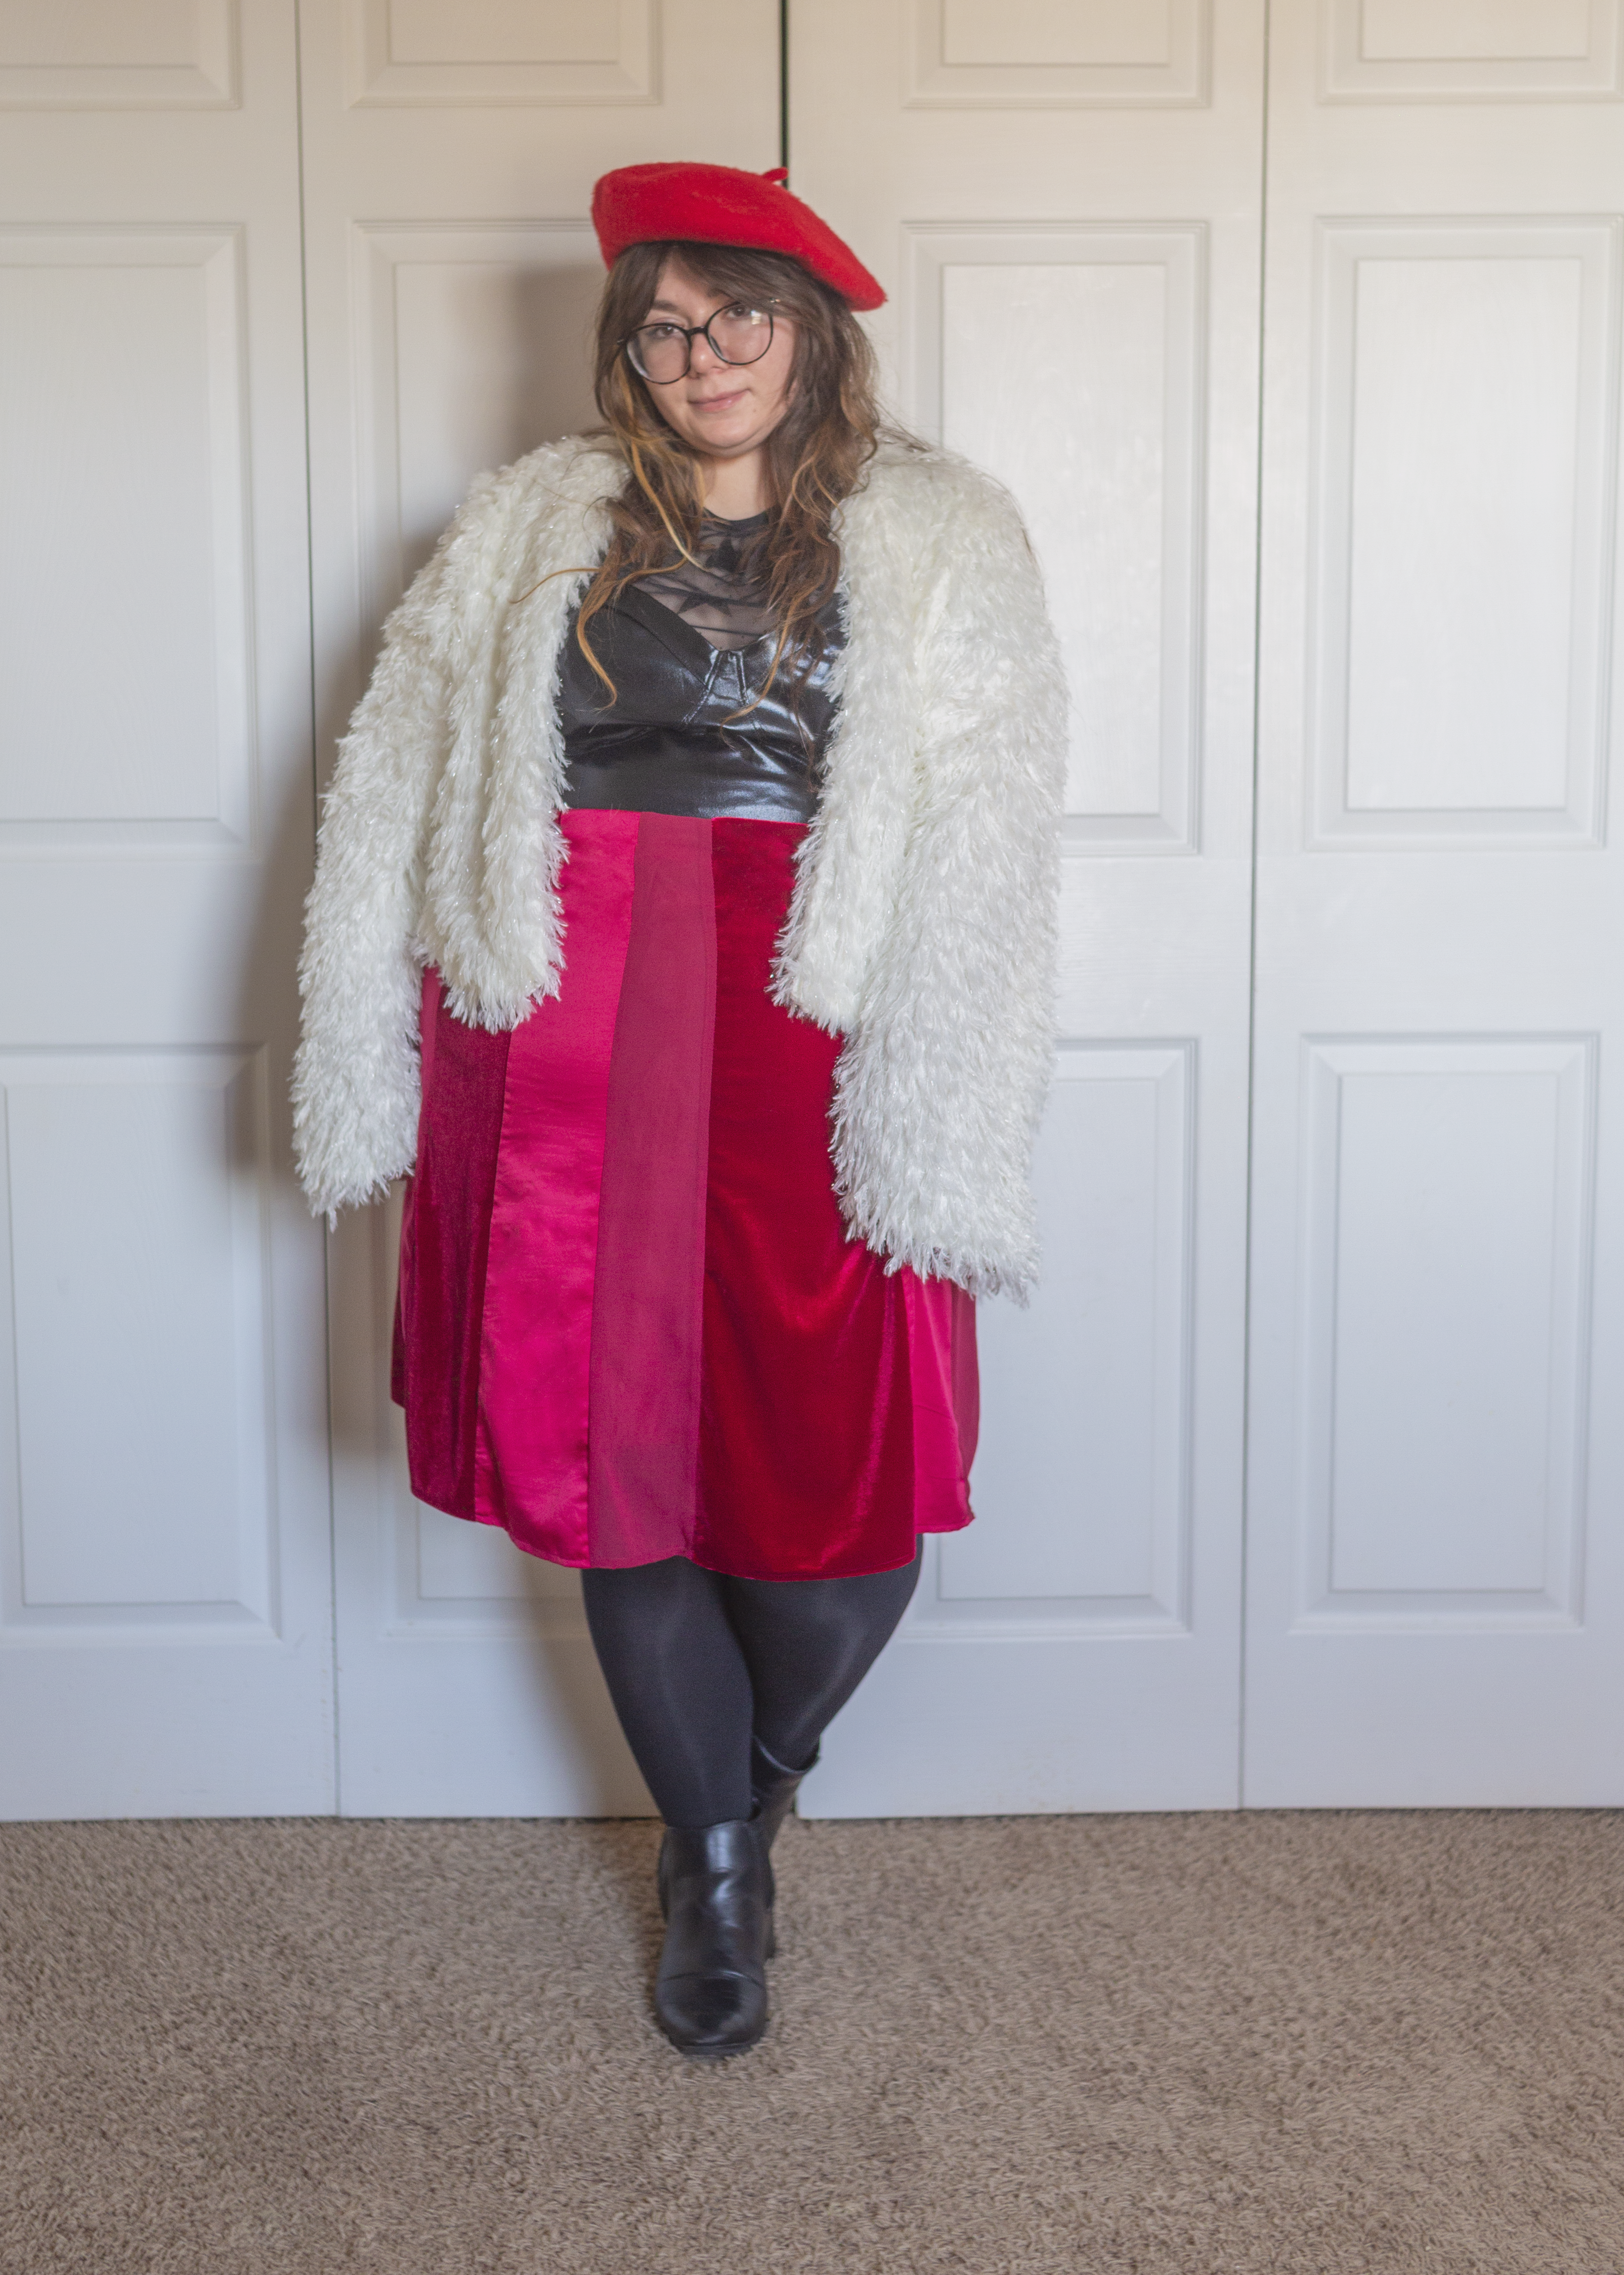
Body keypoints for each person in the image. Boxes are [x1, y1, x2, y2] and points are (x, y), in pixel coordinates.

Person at [292, 161, 1067, 2059]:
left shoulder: (943, 530)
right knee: (609, 1460)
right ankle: (715, 1861)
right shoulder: (533, 522)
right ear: (627, 346)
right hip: (555, 1007)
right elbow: (398, 769)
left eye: (742, 315)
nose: (702, 354)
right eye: (666, 321)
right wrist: (368, 1033)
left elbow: (990, 830)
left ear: (812, 333)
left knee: (840, 1490)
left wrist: (950, 1070)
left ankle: (760, 1757)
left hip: (810, 1009)